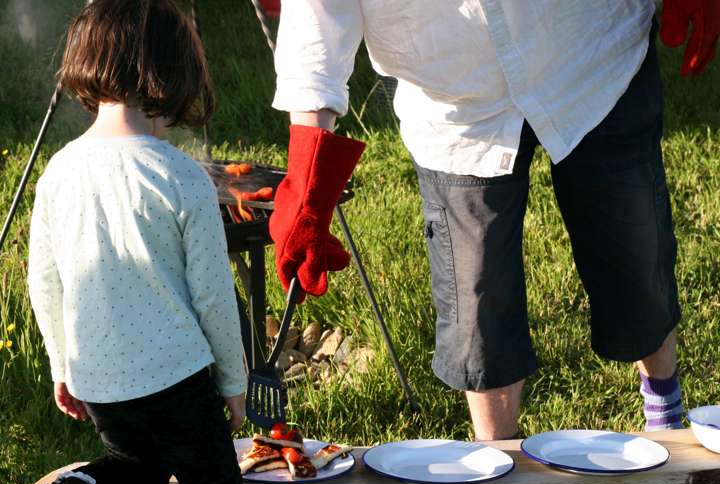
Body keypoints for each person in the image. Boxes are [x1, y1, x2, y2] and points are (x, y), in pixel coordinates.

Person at [268, 0, 719, 441]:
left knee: (636, 258)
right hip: (456, 104)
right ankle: (496, 464)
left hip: (590, 55)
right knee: (477, 302)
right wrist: (308, 181)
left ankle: (665, 414)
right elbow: (315, 26)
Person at [15, 1, 247, 484]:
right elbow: (214, 297)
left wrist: (61, 365)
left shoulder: (59, 171)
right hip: (177, 377)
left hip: (100, 380)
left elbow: (44, 280)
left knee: (138, 469)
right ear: (171, 74)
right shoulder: (182, 177)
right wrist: (234, 384)